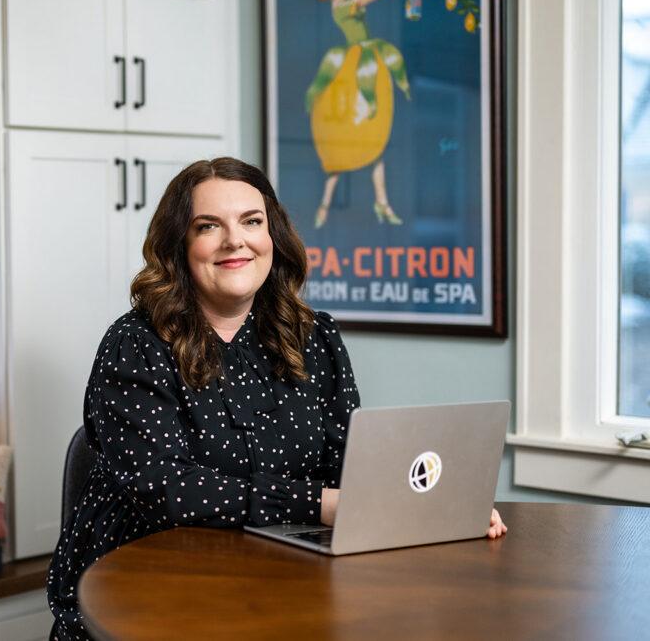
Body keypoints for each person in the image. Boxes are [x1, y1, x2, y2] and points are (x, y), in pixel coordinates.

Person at [46, 157, 505, 639]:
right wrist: (320, 504)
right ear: (179, 246)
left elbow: (346, 461)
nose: (234, 241)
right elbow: (167, 491)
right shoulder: (135, 345)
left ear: (273, 235)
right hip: (142, 589)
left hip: (278, 574)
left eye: (252, 221)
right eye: (208, 226)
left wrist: (432, 503)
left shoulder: (315, 337)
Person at [306, 0, 422, 228]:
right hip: (358, 66)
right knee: (352, 140)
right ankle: (325, 205)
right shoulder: (343, 6)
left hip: (365, 60)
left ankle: (380, 202)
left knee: (373, 138)